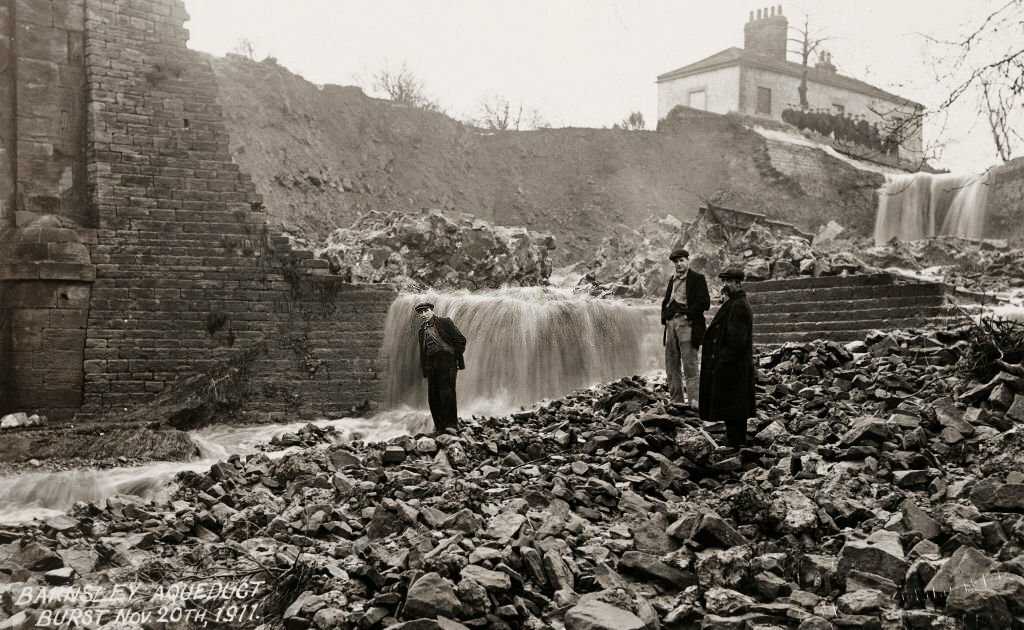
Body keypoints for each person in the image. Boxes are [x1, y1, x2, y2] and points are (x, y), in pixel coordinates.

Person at [699, 268, 755, 448]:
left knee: (734, 403)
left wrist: (721, 361)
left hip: (733, 364)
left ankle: (736, 442)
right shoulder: (736, 302)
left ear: (738, 283)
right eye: (723, 281)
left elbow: (736, 340)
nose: (725, 285)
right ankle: (736, 440)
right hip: (735, 364)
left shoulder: (738, 305)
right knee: (734, 404)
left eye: (728, 282)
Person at [661, 247, 710, 409]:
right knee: (671, 362)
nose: (679, 264)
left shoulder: (697, 279)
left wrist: (688, 314)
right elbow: (666, 300)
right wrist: (665, 316)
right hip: (671, 325)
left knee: (689, 363)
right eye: (676, 262)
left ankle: (695, 402)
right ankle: (676, 401)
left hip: (687, 324)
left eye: (681, 260)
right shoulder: (672, 280)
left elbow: (704, 303)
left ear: (688, 261)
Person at [415, 302, 467, 433]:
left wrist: (454, 356)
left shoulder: (445, 322)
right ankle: (439, 426)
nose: (423, 314)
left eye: (426, 311)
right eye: (420, 312)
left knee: (447, 393)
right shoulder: (422, 331)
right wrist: (425, 368)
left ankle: (451, 425)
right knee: (433, 396)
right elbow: (424, 351)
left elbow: (461, 340)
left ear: (432, 310)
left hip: (447, 361)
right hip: (431, 364)